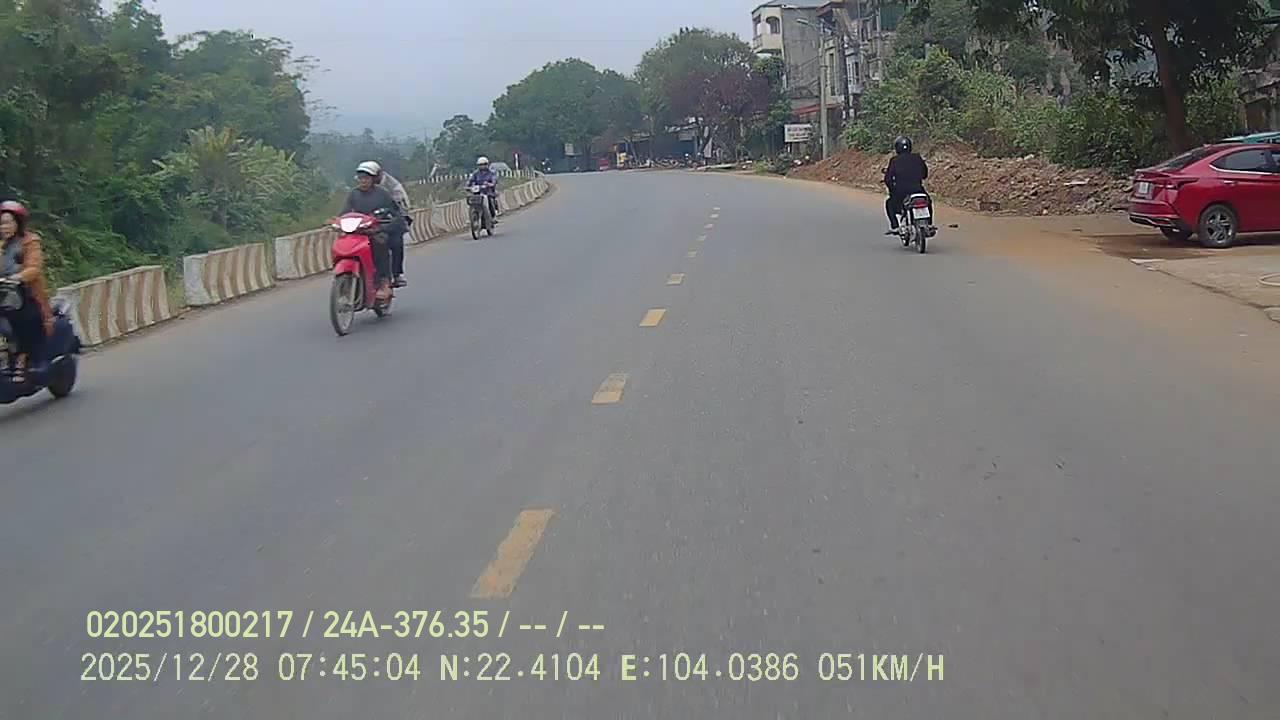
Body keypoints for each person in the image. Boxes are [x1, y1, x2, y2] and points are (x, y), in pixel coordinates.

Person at [0, 201, 53, 381]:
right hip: (3, 295)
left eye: (8, 222)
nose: (4, 227)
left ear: (18, 223)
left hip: (26, 294)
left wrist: (18, 277)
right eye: (1, 223)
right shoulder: (1, 245)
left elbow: (34, 267)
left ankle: (36, 359)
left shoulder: (30, 241)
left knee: (28, 319)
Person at [340, 162, 403, 302]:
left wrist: (383, 226)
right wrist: (337, 222)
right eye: (361, 178)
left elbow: (395, 214)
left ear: (373, 179)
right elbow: (345, 212)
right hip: (358, 232)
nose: (363, 181)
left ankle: (384, 282)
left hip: (376, 231)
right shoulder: (353, 194)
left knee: (380, 244)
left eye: (366, 178)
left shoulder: (383, 194)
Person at [369, 162, 412, 288]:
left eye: (370, 176)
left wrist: (394, 216)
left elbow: (400, 207)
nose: (366, 179)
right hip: (370, 221)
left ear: (378, 175)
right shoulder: (360, 190)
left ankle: (397, 274)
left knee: (396, 242)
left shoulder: (392, 187)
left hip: (390, 219)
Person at [883, 135, 931, 233]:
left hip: (901, 192)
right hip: (918, 189)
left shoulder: (894, 160)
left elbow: (888, 179)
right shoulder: (917, 158)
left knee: (889, 204)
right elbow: (924, 174)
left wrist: (892, 190)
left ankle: (895, 226)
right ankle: (929, 224)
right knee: (928, 201)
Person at [467, 157, 499, 222]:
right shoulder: (476, 173)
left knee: (490, 200)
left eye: (484, 164)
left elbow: (494, 180)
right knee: (472, 199)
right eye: (481, 165)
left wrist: (490, 184)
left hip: (488, 192)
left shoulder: (491, 173)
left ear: (487, 164)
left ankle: (493, 216)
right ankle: (473, 216)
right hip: (478, 192)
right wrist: (468, 186)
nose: (483, 166)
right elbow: (470, 181)